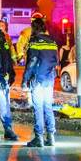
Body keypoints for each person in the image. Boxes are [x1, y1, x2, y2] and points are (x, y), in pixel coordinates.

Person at [22, 17, 59, 147]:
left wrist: (25, 79)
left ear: (35, 28)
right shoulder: (53, 42)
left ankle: (39, 138)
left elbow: (31, 62)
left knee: (38, 107)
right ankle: (51, 136)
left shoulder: (34, 41)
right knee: (48, 106)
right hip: (50, 78)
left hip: (37, 78)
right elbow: (56, 60)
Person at [0, 20, 18, 141]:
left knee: (4, 104)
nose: (1, 29)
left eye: (3, 26)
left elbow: (8, 57)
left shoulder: (6, 40)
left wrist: (11, 73)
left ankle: (8, 129)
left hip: (3, 78)